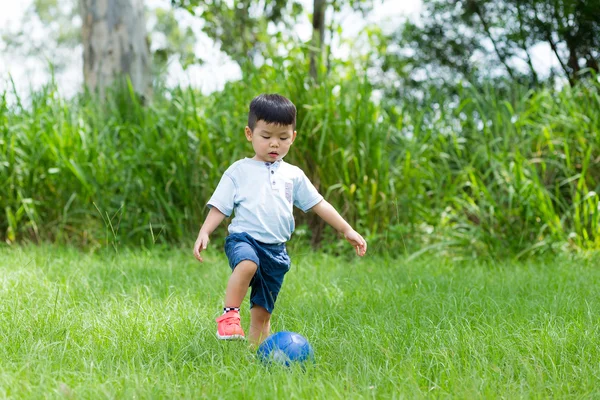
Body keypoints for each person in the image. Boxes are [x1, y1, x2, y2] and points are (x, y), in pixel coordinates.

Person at [193, 93, 367, 346]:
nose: (274, 144)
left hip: (276, 251)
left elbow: (319, 203)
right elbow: (220, 206)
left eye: (283, 138)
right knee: (247, 264)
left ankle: (256, 354)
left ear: (293, 138)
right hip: (244, 239)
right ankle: (229, 316)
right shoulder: (238, 171)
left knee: (263, 314)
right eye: (266, 137)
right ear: (250, 134)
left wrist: (346, 229)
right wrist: (205, 231)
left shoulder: (293, 175)